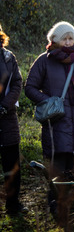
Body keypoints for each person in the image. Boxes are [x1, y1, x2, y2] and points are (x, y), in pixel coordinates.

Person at [25, 21, 74, 211]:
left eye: (71, 38)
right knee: (57, 167)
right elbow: (30, 87)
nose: (67, 42)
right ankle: (56, 204)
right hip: (56, 123)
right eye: (64, 38)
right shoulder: (44, 61)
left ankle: (72, 203)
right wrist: (48, 101)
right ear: (55, 39)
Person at [0, 25, 27, 216]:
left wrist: (5, 105)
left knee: (12, 167)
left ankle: (13, 205)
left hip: (7, 119)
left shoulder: (8, 57)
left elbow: (18, 82)